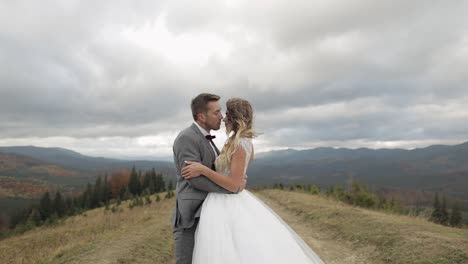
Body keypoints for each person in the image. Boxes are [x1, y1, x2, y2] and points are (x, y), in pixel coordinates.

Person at [182, 98, 324, 264]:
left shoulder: (241, 144)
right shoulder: (237, 141)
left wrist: (204, 170)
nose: (223, 117)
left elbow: (234, 184)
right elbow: (238, 175)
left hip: (226, 203)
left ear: (235, 117)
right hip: (220, 200)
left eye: (227, 113)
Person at [171, 93, 247, 264]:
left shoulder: (207, 138)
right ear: (201, 116)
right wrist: (231, 188)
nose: (222, 117)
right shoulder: (187, 138)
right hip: (190, 216)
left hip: (208, 213)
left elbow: (214, 171)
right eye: (216, 112)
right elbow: (194, 179)